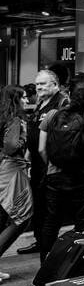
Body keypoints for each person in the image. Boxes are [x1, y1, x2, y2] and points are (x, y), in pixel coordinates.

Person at [39, 75, 84, 262]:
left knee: (52, 220)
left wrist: (52, 165)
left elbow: (41, 148)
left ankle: (46, 261)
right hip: (82, 176)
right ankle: (79, 261)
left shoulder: (52, 115)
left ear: (69, 93)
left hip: (54, 176)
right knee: (83, 220)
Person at [17, 68, 66, 257]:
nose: (38, 87)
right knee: (38, 205)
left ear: (55, 85)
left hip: (50, 164)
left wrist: (49, 163)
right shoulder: (39, 103)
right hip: (36, 164)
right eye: (37, 84)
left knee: (49, 208)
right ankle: (40, 241)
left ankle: (49, 247)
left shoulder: (61, 102)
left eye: (43, 83)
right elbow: (33, 134)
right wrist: (28, 159)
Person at [0, 87, 34, 275]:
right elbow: (11, 146)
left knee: (6, 217)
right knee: (22, 216)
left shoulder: (3, 117)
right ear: (16, 100)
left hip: (4, 169)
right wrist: (22, 139)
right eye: (24, 97)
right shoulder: (14, 119)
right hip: (12, 169)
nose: (27, 100)